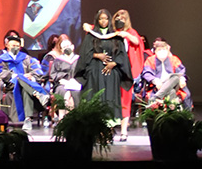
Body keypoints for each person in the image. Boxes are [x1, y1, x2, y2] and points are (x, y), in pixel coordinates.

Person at [84, 9, 144, 141]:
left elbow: (135, 43)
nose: (119, 20)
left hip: (123, 70)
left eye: (123, 18)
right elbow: (90, 36)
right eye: (117, 17)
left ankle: (122, 131)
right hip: (102, 71)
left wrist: (115, 62)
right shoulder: (102, 33)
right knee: (103, 98)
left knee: (122, 101)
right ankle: (101, 131)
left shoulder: (126, 34)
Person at [78, 9, 132, 136]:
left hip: (111, 73)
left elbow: (121, 54)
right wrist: (98, 55)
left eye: (106, 19)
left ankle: (109, 130)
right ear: (97, 20)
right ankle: (97, 131)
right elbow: (85, 53)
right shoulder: (91, 36)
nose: (104, 21)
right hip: (95, 72)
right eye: (101, 19)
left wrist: (114, 63)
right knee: (96, 98)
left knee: (110, 98)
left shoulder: (116, 36)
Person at [0, 35, 48, 130]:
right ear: (7, 45)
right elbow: (0, 72)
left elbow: (38, 71)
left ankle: (28, 119)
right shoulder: (2, 59)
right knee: (19, 78)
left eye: (17, 46)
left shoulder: (27, 58)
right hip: (11, 86)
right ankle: (37, 94)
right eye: (13, 45)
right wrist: (16, 76)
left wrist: (31, 76)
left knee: (24, 89)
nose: (15, 47)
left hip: (26, 86)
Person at [140, 38, 192, 109]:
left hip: (175, 84)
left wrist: (182, 79)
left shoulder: (174, 59)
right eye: (159, 50)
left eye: (164, 49)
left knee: (176, 77)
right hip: (159, 85)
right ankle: (170, 113)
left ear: (168, 50)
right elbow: (146, 73)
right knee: (172, 92)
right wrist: (155, 80)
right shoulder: (150, 60)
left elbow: (181, 71)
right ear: (155, 51)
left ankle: (156, 97)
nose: (162, 51)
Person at [49, 36, 81, 122]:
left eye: (68, 46)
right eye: (64, 47)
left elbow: (83, 73)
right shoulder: (58, 60)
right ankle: (62, 119)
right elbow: (53, 74)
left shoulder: (79, 59)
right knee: (65, 93)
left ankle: (75, 119)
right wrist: (63, 78)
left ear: (73, 47)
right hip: (62, 83)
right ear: (62, 50)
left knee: (75, 93)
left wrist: (76, 80)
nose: (67, 48)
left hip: (76, 84)